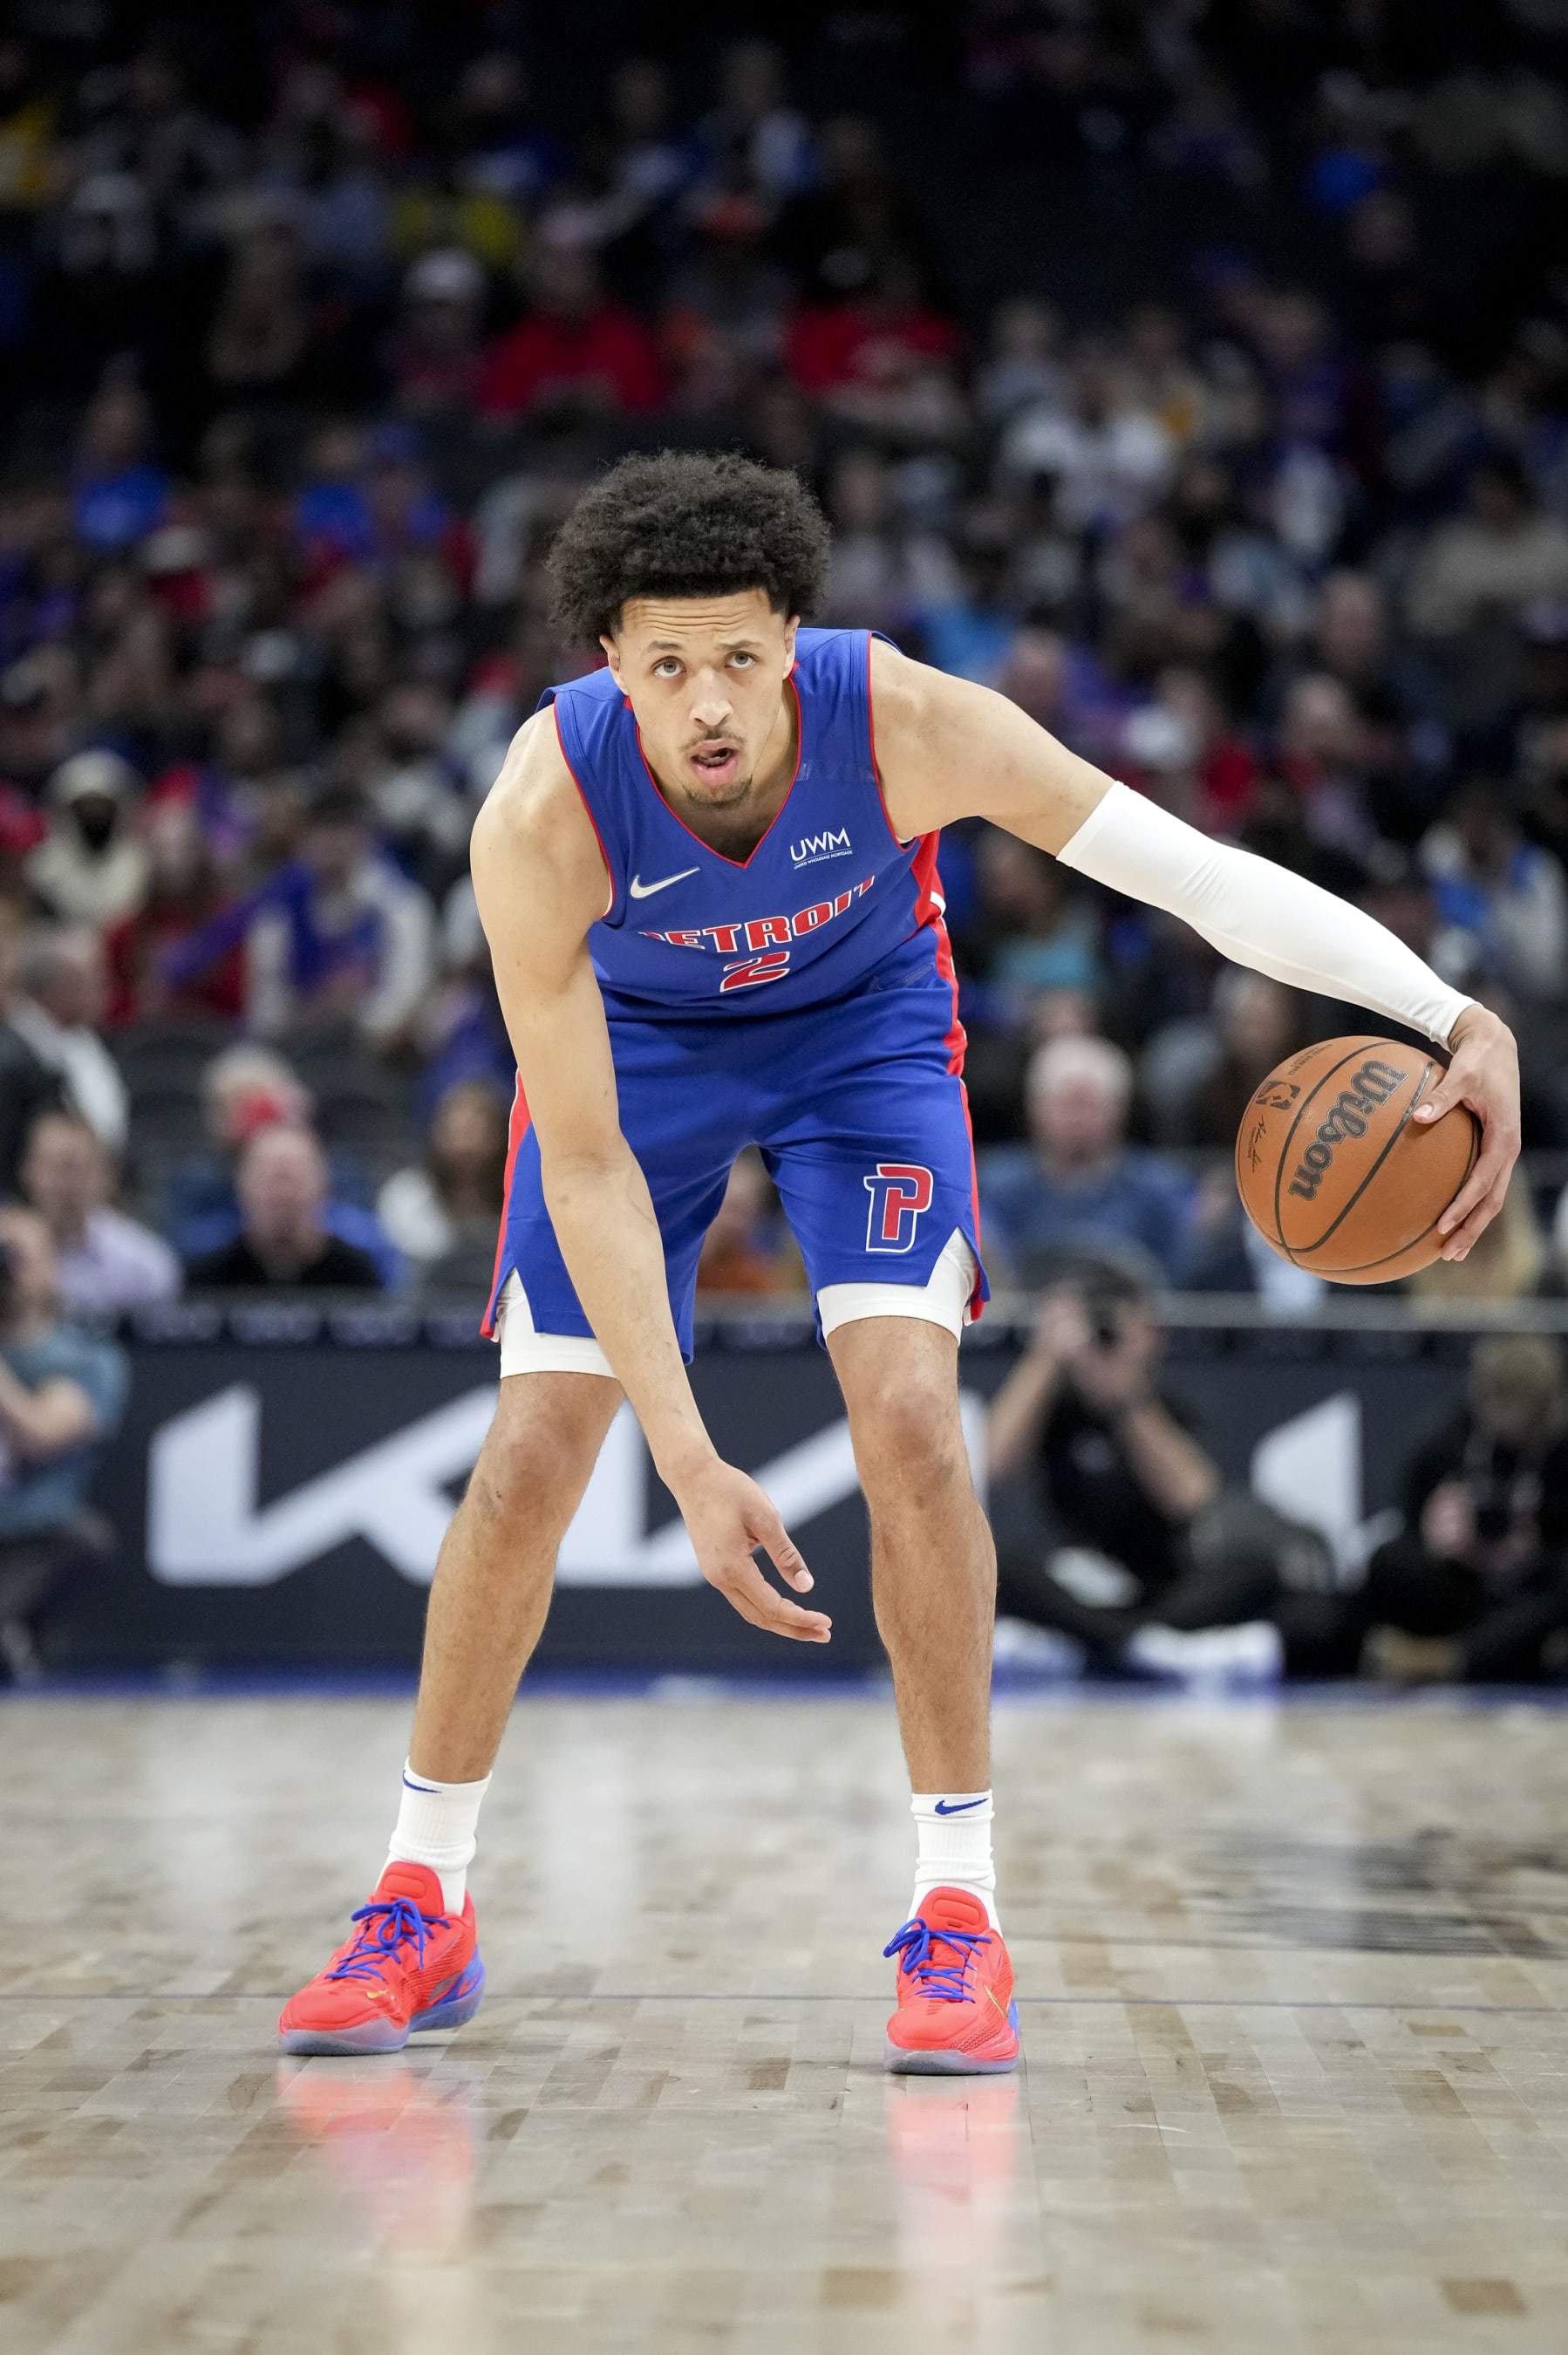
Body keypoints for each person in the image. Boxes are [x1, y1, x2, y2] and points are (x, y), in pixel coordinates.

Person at [279, 450, 1517, 2077]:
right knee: (526, 1460)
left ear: (789, 632)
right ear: (607, 669)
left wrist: (1445, 1011)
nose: (709, 701)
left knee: (917, 1429)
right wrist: (688, 1453)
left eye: (737, 654)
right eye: (666, 665)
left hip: (859, 1043)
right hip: (637, 1067)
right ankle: (420, 1892)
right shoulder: (539, 812)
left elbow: (1188, 877)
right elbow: (578, 1158)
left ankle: (956, 1912)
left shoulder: (907, 723)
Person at [986, 1274, 1330, 1683]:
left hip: (1170, 1589)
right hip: (1082, 1585)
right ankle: (1145, 1647)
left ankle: (1100, 1645)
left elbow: (1193, 1498)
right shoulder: (1054, 1409)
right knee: (994, 1561)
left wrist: (1122, 1395)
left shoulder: (1164, 1408)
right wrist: (1044, 1356)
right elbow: (995, 1464)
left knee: (1252, 1570)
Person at [1353, 1336, 1568, 1686]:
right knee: (1388, 1564)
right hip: (1463, 1587)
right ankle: (1484, 1651)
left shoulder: (1559, 1446)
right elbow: (1408, 1524)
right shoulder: (1443, 1445)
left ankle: (1447, 1659)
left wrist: (1534, 1553)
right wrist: (1438, 1539)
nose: (1525, 1429)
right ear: (1485, 1399)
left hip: (1533, 1592)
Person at [0, 1205, 130, 1682]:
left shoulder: (86, 1358)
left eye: (15, 1256)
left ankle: (17, 1633)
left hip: (31, 1535)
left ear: (51, 1265)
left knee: (84, 1539)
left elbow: (40, 1434)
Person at [978, 1036, 1194, 1285]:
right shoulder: (995, 1186)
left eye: (1089, 1104)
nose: (1077, 1119)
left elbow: (1181, 1279)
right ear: (1034, 1108)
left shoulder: (1161, 1189)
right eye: (1066, 1104)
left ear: (1120, 1110)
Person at [19, 1109, 181, 1316]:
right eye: (54, 1168)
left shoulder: (145, 1265)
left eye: (78, 1169)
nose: (66, 1185)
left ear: (106, 1175)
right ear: (28, 1171)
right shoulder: (9, 1256)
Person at [184, 1125, 384, 1293]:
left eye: (294, 1179)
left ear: (325, 1189)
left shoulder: (357, 1275)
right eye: (269, 1179)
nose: (283, 1194)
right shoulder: (206, 1277)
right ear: (241, 1188)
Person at [7, 926, 129, 1156]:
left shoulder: (90, 1041)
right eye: (94, 977)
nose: (105, 987)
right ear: (56, 987)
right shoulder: (10, 1062)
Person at [375, 1082, 509, 1288]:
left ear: (500, 1136)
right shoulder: (406, 1196)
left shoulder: (518, 1197)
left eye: (475, 1131)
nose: (465, 1145)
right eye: (455, 1131)